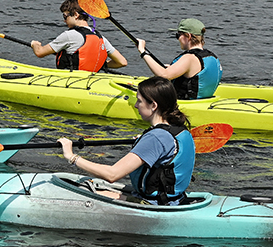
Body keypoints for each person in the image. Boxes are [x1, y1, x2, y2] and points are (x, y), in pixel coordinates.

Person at [58, 76, 196, 203]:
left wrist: (72, 157)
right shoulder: (180, 130)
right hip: (174, 199)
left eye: (139, 101)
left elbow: (112, 175)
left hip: (153, 204)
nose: (136, 105)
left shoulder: (155, 138)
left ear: (154, 105)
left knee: (81, 190)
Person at [30, 0, 127, 72]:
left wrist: (35, 45)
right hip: (90, 81)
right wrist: (99, 64)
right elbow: (122, 62)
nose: (64, 20)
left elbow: (40, 52)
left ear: (76, 15)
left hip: (70, 81)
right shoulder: (100, 37)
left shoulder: (69, 35)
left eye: (65, 16)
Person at [134, 17, 222, 100]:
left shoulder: (190, 58)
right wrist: (173, 68)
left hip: (185, 103)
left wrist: (143, 52)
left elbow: (164, 75)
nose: (178, 39)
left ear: (188, 36)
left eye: (178, 35)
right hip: (203, 101)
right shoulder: (211, 56)